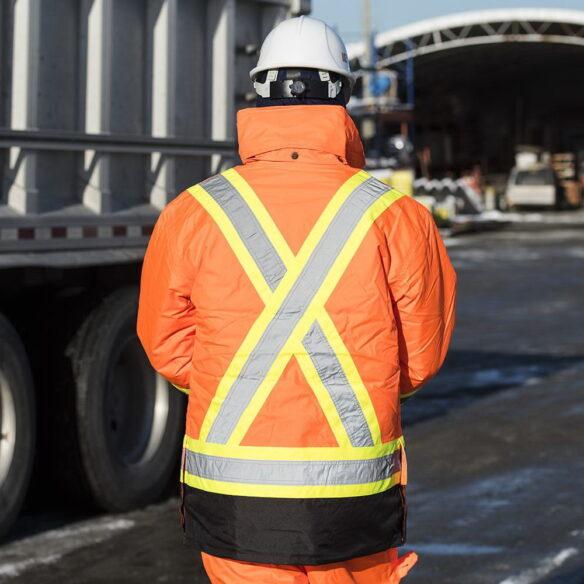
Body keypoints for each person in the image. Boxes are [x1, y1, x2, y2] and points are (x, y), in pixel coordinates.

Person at [138, 15, 456, 584]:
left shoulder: (194, 212)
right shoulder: (396, 216)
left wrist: (234, 380)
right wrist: (355, 384)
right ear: (344, 99)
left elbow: (165, 343)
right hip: (352, 501)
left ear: (258, 93)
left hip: (233, 499)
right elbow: (419, 356)